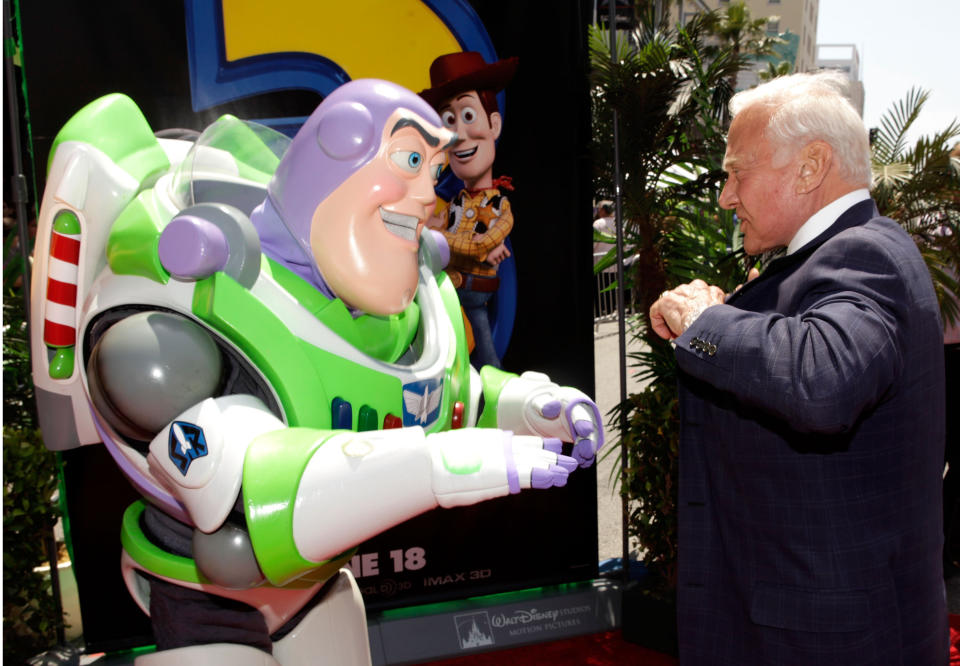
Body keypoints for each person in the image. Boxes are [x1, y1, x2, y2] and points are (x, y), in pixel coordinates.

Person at [30, 81, 603, 665]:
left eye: (430, 171)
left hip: (317, 584)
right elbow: (260, 486)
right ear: (336, 162)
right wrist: (444, 467)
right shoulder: (184, 334)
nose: (426, 195)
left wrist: (534, 407)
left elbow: (459, 397)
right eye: (408, 160)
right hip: (207, 599)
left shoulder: (398, 318)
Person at [649, 71, 948, 664]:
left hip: (825, 639)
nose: (725, 196)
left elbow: (820, 381)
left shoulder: (863, 254)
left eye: (738, 173)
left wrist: (708, 323)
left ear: (811, 167)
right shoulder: (833, 256)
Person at [420, 51, 518, 369]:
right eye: (449, 120)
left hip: (474, 293)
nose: (460, 134)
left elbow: (478, 246)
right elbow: (437, 225)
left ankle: (494, 393)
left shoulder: (500, 206)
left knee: (484, 354)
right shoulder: (456, 204)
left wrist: (439, 236)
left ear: (494, 124)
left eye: (468, 116)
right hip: (447, 290)